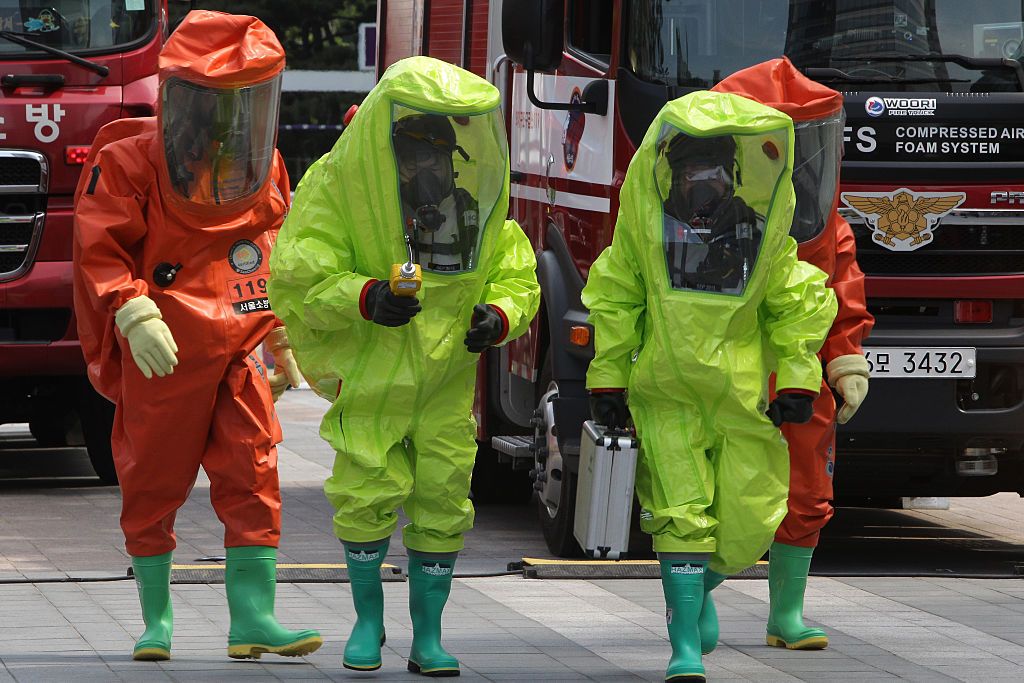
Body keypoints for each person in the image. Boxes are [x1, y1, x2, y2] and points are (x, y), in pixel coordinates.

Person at [267, 56, 540, 676]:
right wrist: (364, 296)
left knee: (443, 499)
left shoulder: (474, 212)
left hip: (447, 384)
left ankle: (430, 638)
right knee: (364, 494)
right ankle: (368, 623)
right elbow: (299, 273)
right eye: (411, 156)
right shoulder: (344, 195)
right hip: (374, 377)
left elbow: (515, 272)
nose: (424, 170)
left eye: (435, 156)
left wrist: (498, 314)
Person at [72, 10, 321, 662]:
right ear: (177, 94)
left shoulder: (264, 170)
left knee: (253, 464)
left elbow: (271, 254)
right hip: (165, 347)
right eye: (213, 101)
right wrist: (131, 309)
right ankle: (156, 618)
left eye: (244, 101)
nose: (227, 119)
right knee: (151, 477)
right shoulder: (127, 163)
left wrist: (282, 333)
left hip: (240, 343)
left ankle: (253, 615)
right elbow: (99, 246)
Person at [582, 90, 838, 683]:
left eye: (717, 169)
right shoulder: (647, 232)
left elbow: (795, 304)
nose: (705, 181)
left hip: (741, 396)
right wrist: (609, 379)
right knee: (681, 515)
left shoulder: (759, 233)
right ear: (670, 170)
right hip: (666, 392)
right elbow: (616, 302)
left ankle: (696, 592)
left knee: (750, 515)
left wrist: (798, 377)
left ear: (737, 172)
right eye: (693, 169)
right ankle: (684, 651)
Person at [710, 57, 873, 651]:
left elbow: (841, 287)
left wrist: (846, 357)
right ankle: (698, 598)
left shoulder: (821, 219)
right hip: (723, 371)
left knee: (806, 493)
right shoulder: (697, 210)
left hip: (800, 373)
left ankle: (786, 614)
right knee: (718, 491)